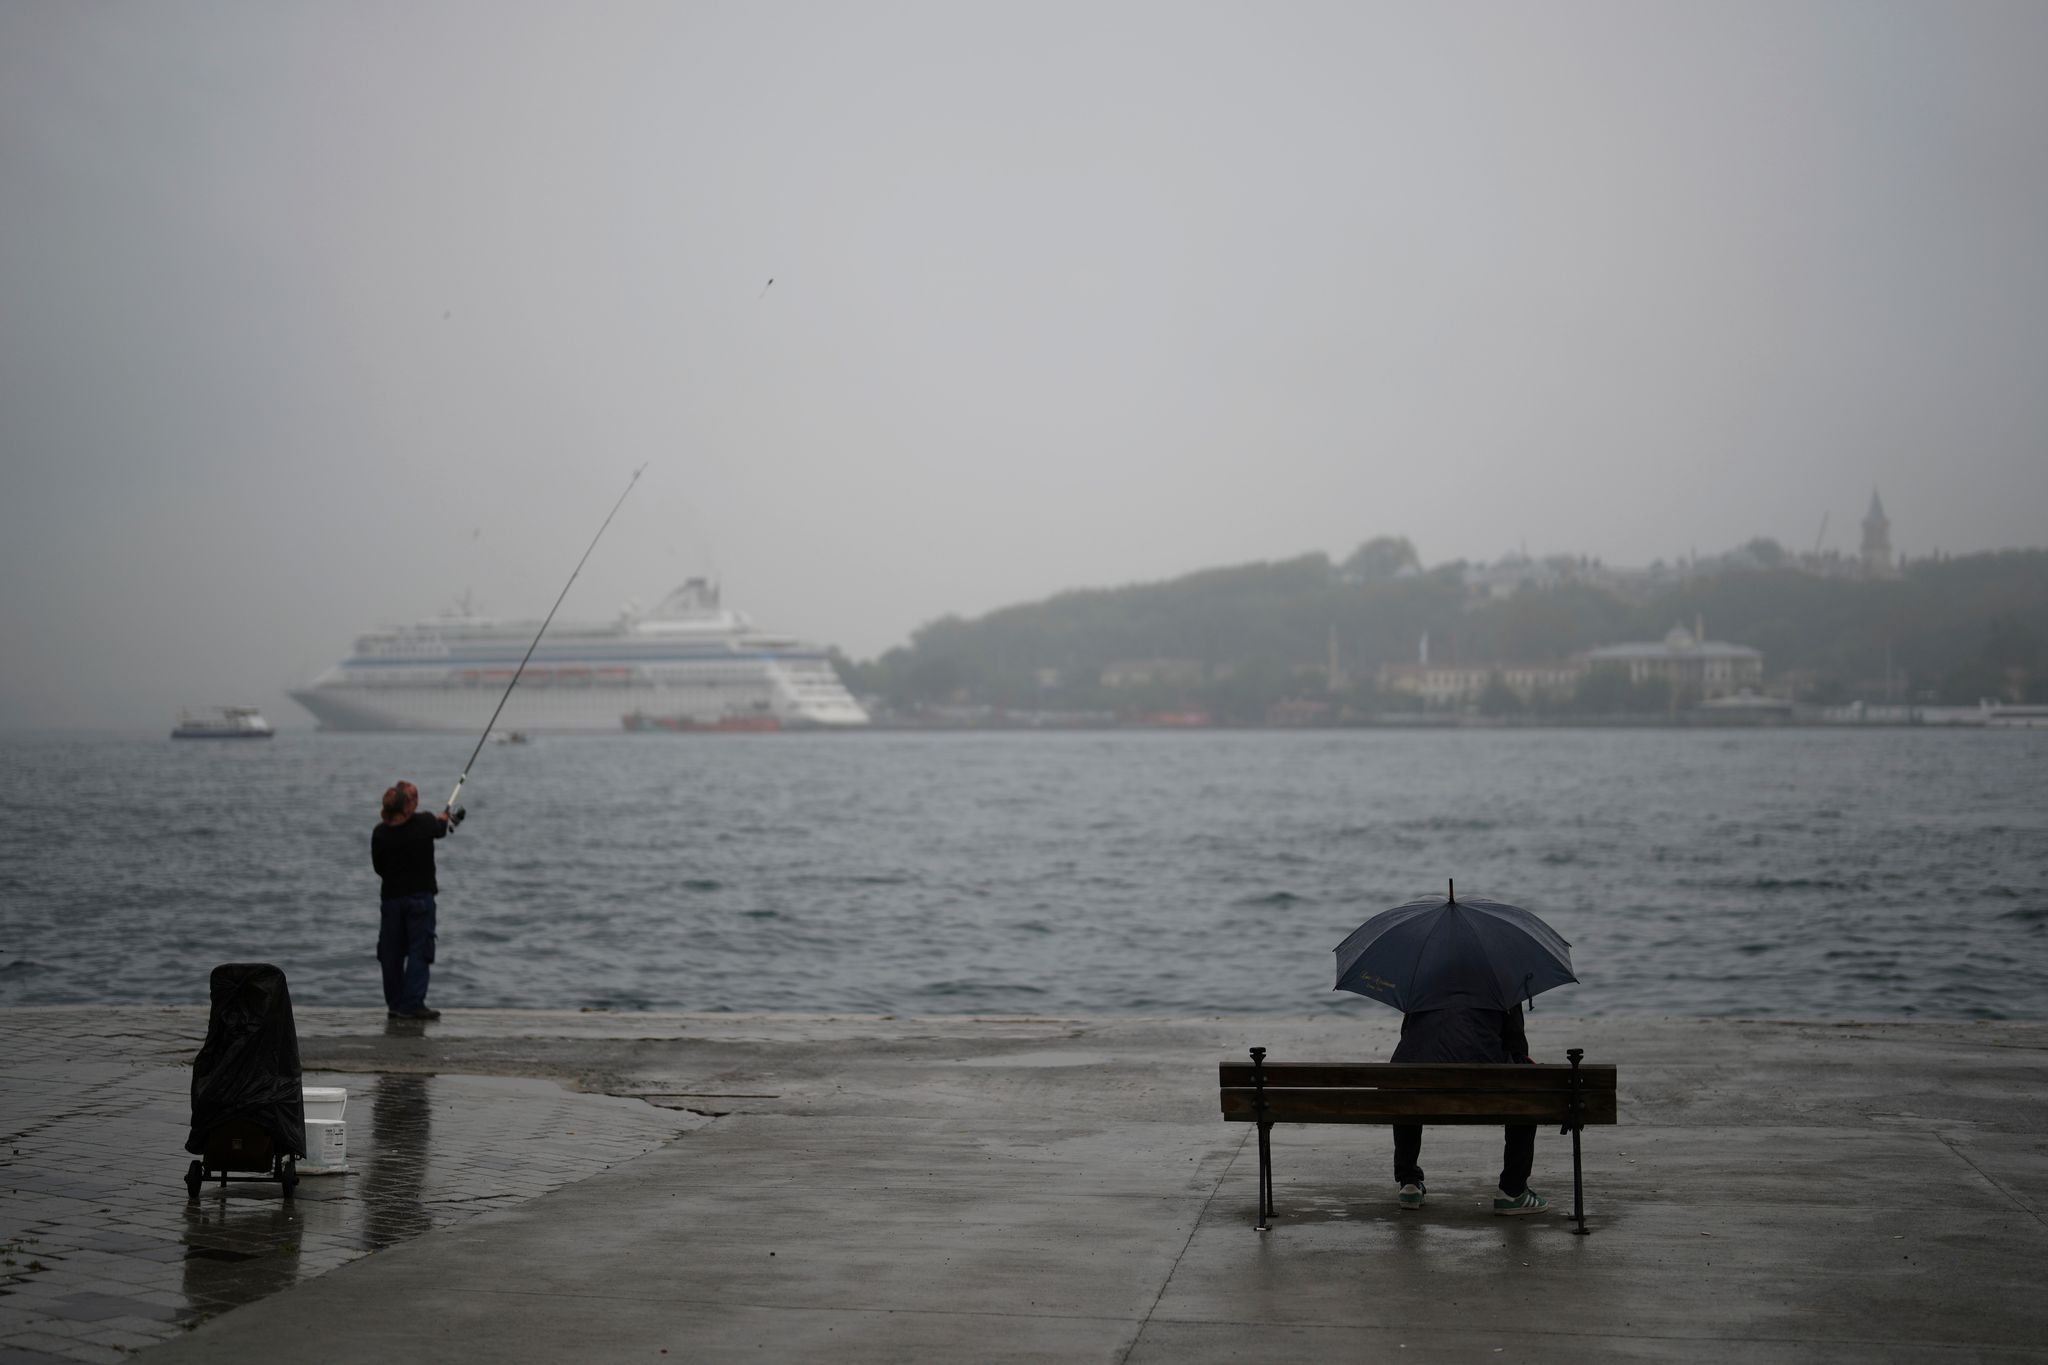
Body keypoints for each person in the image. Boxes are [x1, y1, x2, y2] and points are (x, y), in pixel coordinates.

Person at [1390, 1002, 1547, 1214]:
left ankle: (1409, 1182)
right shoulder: (1502, 990)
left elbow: (1409, 1038)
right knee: (1524, 1089)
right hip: (1485, 1093)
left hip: (1421, 1091)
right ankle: (1513, 1191)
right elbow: (1518, 1048)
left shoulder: (1422, 989)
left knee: (1407, 1080)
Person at [371, 780, 462, 1020]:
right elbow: (441, 828)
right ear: (406, 807)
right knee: (419, 951)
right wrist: (444, 817)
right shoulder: (422, 823)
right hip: (420, 900)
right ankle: (412, 1004)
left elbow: (378, 868)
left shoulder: (380, 833)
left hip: (391, 901)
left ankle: (395, 1003)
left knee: (391, 953)